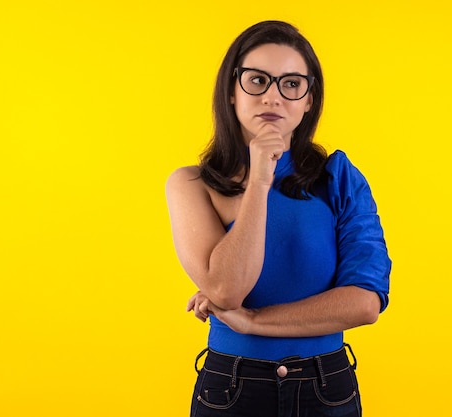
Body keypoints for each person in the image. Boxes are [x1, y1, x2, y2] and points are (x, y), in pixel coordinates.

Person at [166, 20, 391, 417]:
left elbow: (365, 303)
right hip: (231, 388)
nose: (273, 97)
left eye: (291, 84)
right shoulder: (191, 184)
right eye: (258, 80)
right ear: (232, 91)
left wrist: (253, 322)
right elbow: (226, 291)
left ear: (308, 100)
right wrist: (260, 179)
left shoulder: (338, 178)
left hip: (326, 387)